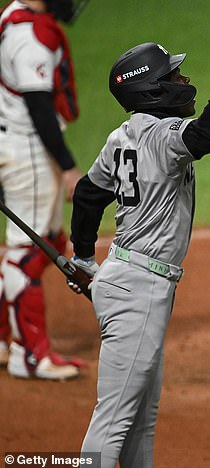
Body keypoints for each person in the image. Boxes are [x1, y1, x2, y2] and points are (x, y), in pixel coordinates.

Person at [67, 23, 210, 467]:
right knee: (114, 421)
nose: (181, 82)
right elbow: (208, 132)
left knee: (139, 419)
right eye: (172, 78)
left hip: (127, 279)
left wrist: (81, 256)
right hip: (138, 289)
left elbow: (88, 195)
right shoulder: (161, 135)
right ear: (153, 90)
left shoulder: (122, 137)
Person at [0, 0, 87, 380]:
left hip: (11, 142)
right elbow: (38, 109)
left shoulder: (10, 16)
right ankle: (30, 355)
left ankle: (5, 340)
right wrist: (68, 168)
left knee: (40, 241)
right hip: (29, 152)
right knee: (27, 252)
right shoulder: (32, 37)